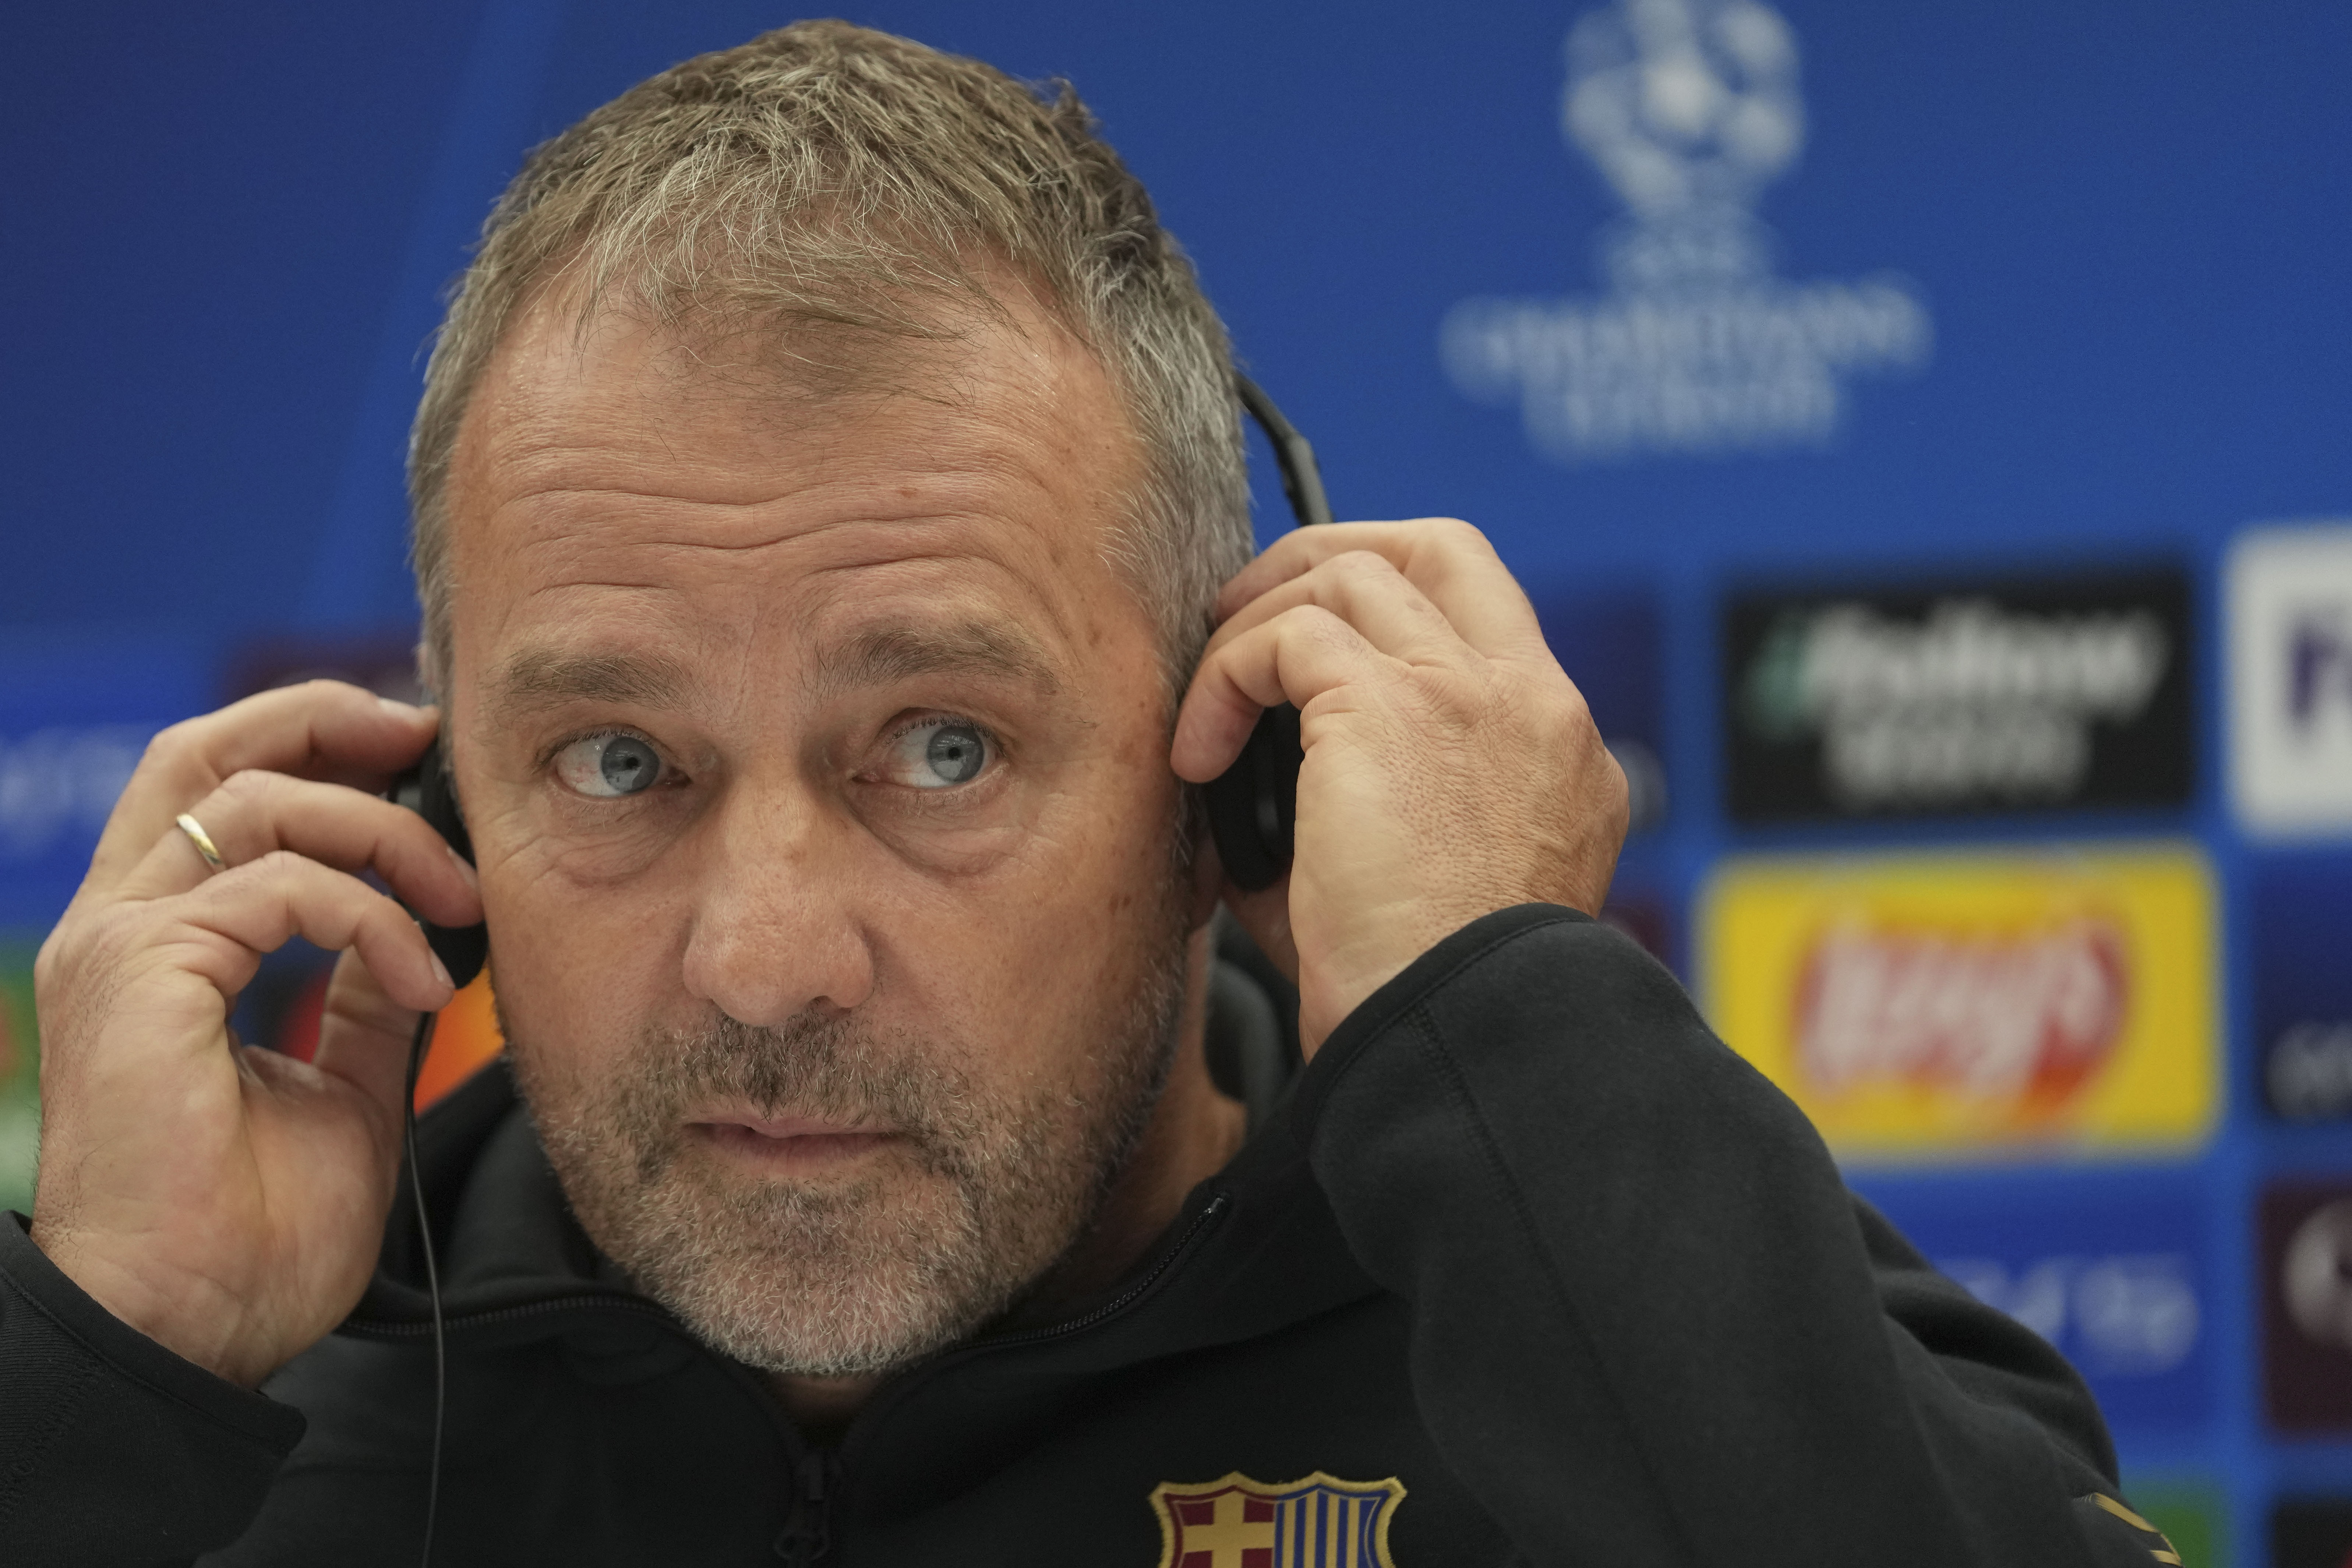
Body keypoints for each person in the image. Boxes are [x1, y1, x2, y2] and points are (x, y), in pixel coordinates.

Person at [2, 21, 2178, 1568]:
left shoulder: (1585, 1323)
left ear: (1233, 768)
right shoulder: (217, 1432)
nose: (767, 957)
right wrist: (112, 1370)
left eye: (941, 746)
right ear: (441, 813)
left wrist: (1509, 1022)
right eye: (617, 760)